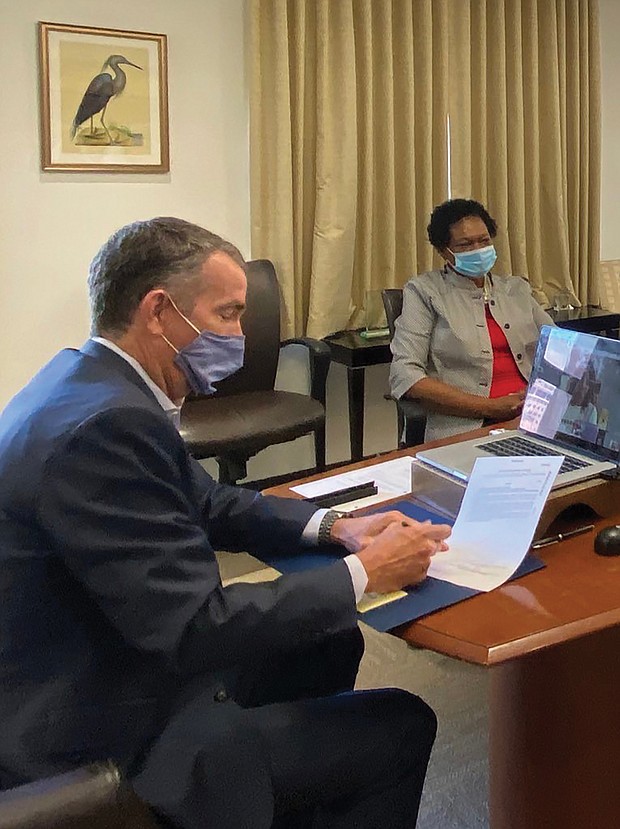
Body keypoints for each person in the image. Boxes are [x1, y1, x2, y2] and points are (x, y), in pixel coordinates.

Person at [0, 217, 452, 829]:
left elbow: (207, 503)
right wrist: (363, 574)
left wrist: (334, 527)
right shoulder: (108, 427)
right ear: (158, 311)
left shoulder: (87, 381)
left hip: (102, 655)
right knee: (401, 723)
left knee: (327, 636)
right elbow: (192, 628)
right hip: (99, 722)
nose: (241, 335)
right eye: (227, 314)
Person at [390, 198, 554, 442]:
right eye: (465, 244)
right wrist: (490, 407)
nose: (478, 249)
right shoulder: (425, 292)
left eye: (484, 240)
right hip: (466, 426)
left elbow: (560, 349)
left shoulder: (516, 289)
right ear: (444, 251)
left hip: (533, 417)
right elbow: (405, 375)